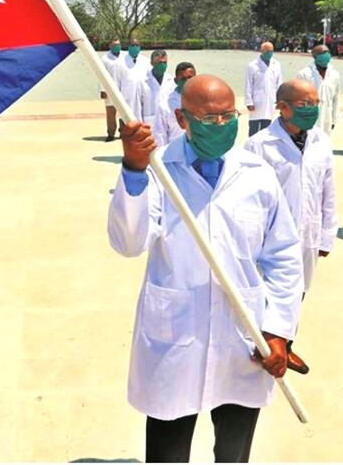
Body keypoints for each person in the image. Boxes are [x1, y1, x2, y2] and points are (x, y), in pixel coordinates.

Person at [108, 75, 302, 463]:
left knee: (233, 451)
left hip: (243, 337)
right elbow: (129, 243)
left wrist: (279, 331)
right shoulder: (158, 170)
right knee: (167, 450)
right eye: (210, 118)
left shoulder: (256, 174)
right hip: (177, 332)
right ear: (182, 119)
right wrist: (133, 168)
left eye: (229, 116)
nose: (222, 126)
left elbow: (283, 256)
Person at [246, 79, 337, 376]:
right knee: (267, 292)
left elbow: (328, 189)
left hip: (308, 233)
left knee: (298, 292)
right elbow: (248, 199)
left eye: (315, 104)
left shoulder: (321, 140)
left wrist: (327, 235)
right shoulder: (259, 145)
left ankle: (286, 344)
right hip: (270, 239)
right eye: (304, 105)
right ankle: (261, 345)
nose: (311, 110)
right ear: (282, 108)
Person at [295, 45, 340, 137]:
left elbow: (335, 98)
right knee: (308, 144)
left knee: (324, 143)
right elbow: (297, 98)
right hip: (309, 116)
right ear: (315, 56)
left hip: (327, 116)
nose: (327, 55)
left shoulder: (334, 74)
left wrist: (334, 119)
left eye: (328, 52)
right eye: (323, 53)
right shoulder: (304, 74)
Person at [125, 49, 172, 129]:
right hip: (150, 124)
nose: (162, 65)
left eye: (165, 63)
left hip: (167, 124)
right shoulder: (142, 81)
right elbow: (137, 107)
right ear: (152, 63)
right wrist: (139, 127)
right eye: (159, 63)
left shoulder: (170, 80)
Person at [244, 41, 283, 137]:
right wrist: (249, 102)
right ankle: (251, 148)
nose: (270, 53)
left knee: (266, 128)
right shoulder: (252, 65)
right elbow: (248, 84)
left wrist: (280, 100)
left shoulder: (276, 64)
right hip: (256, 101)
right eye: (267, 51)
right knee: (254, 128)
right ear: (261, 51)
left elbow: (279, 83)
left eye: (271, 51)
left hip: (270, 101)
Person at [153, 62, 195, 147]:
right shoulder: (165, 105)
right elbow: (160, 135)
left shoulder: (204, 100)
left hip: (201, 153)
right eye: (183, 79)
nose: (187, 81)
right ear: (176, 81)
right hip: (176, 152)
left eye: (190, 78)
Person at [99, 39, 123, 141]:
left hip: (124, 89)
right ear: (110, 45)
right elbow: (101, 75)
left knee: (124, 113)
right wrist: (102, 89)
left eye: (118, 44)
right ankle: (111, 134)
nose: (117, 46)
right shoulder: (105, 59)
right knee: (111, 113)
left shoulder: (125, 57)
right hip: (110, 90)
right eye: (114, 45)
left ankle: (124, 133)